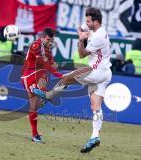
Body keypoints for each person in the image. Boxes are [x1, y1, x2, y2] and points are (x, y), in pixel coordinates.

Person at [35, 8, 112, 153]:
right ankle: (95, 136)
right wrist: (82, 32)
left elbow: (82, 54)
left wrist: (81, 38)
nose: (86, 23)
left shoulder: (98, 37)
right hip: (105, 73)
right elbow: (80, 27)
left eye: (89, 21)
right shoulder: (96, 29)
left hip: (95, 71)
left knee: (66, 77)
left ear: (96, 22)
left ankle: (48, 96)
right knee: (95, 106)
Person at [21, 28, 63, 143]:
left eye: (52, 40)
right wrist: (59, 75)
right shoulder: (36, 45)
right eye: (49, 39)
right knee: (43, 73)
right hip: (28, 74)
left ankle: (35, 135)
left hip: (37, 75)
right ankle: (42, 92)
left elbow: (52, 64)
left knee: (35, 106)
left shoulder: (47, 47)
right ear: (43, 37)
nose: (50, 42)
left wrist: (55, 65)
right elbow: (43, 63)